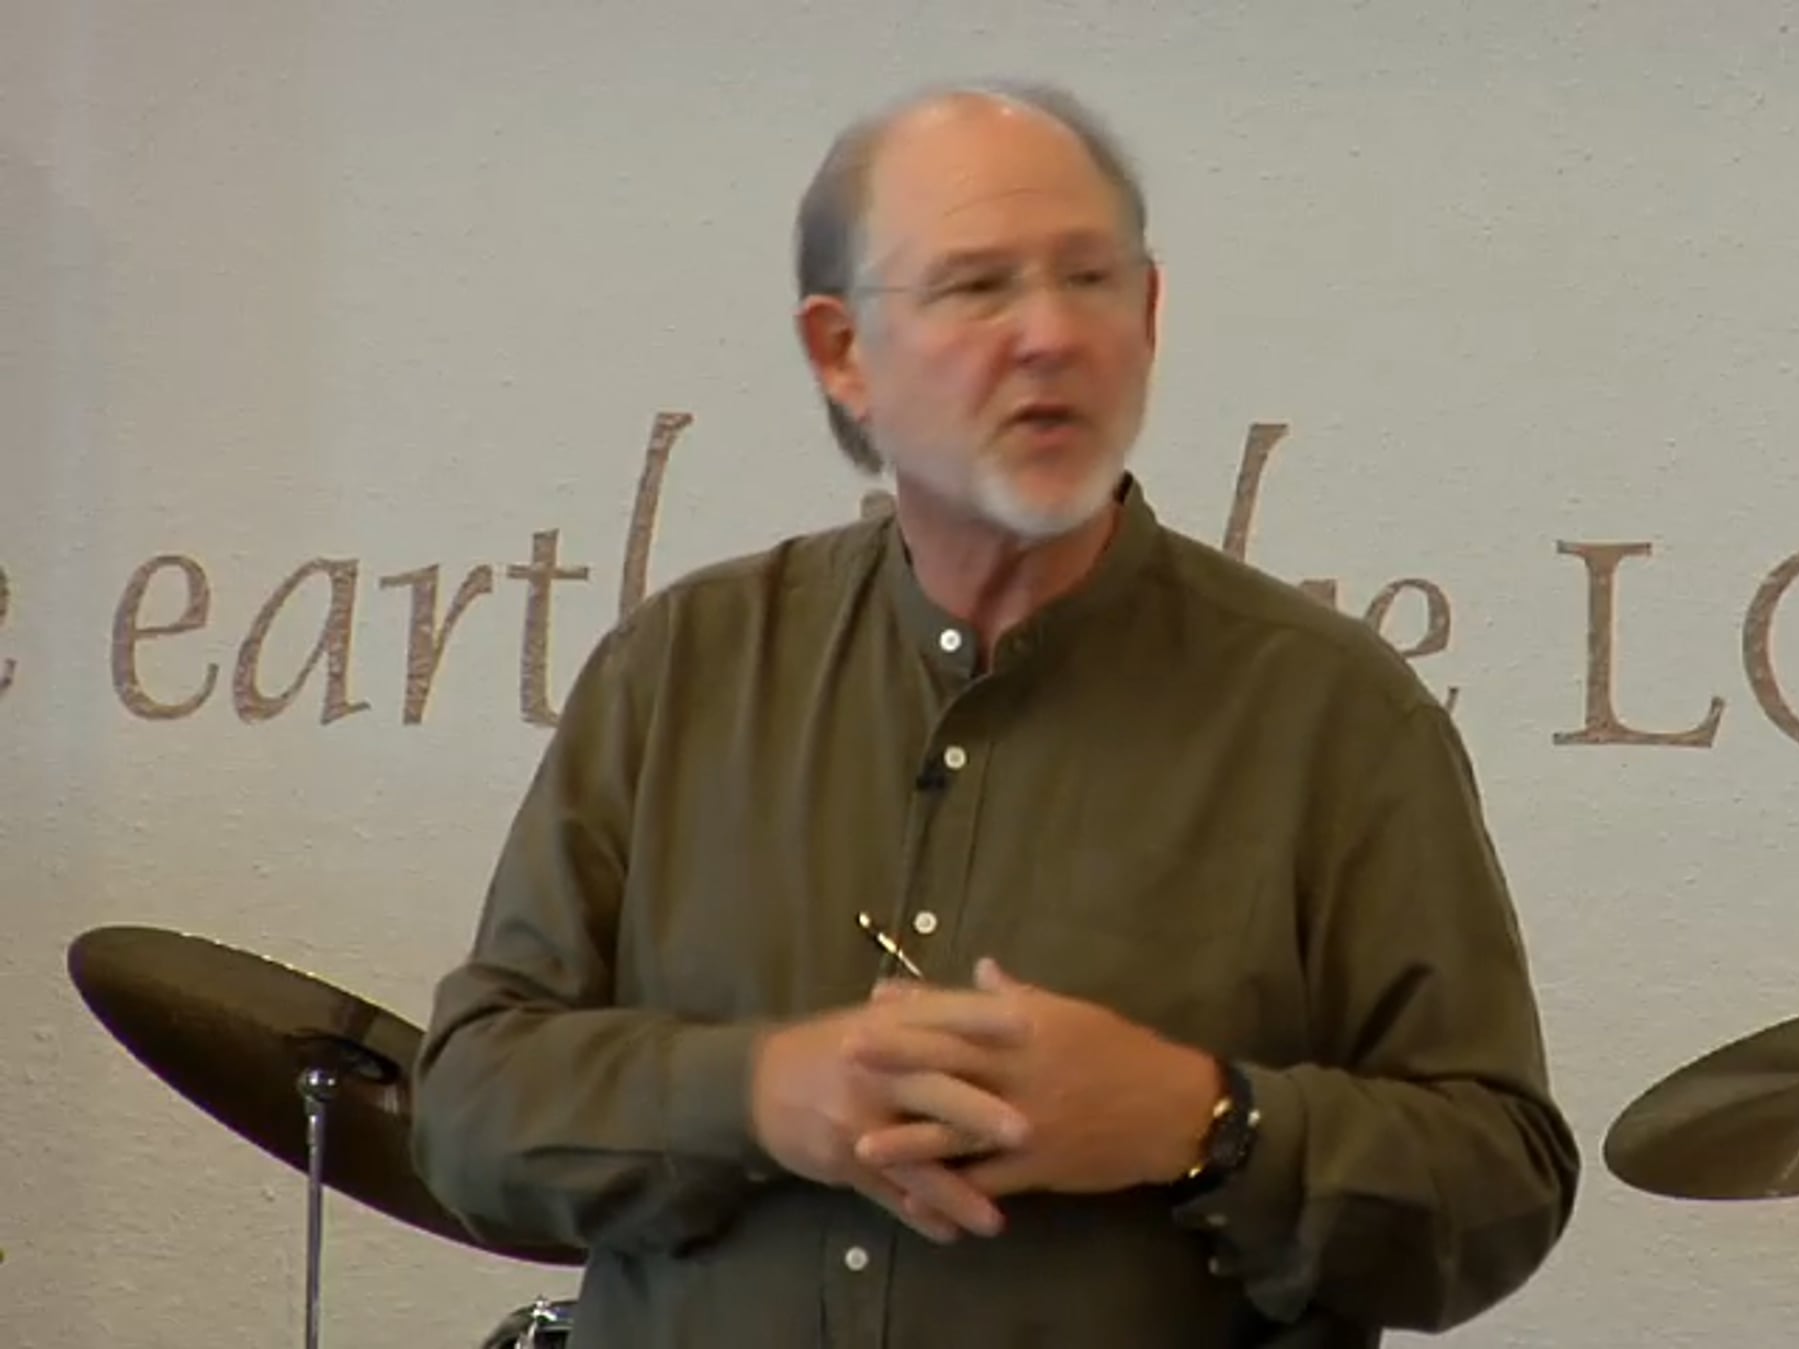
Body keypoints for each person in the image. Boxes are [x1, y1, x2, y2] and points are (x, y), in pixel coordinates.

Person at [411, 78, 1580, 1348]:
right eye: (975, 286)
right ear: (842, 352)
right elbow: (468, 1112)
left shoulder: (1334, 713)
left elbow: (1499, 1189)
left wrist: (1200, 1120)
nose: (1050, 335)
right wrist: (755, 1095)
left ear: (1148, 315)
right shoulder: (680, 668)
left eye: (1091, 280)